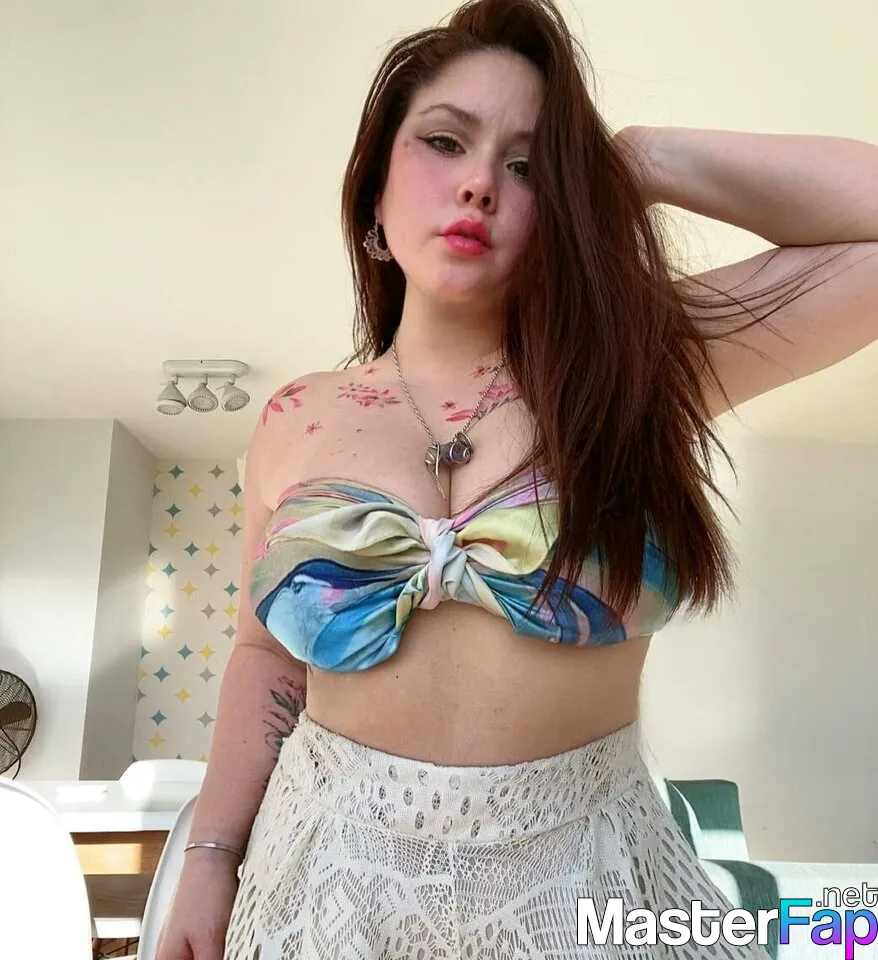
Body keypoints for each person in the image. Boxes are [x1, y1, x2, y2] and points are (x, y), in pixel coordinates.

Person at [156, 0, 878, 957]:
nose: (480, 184)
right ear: (374, 193)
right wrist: (211, 857)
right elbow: (264, 654)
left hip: (589, 887)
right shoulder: (295, 417)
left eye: (529, 165)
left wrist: (638, 161)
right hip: (322, 884)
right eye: (444, 142)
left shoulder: (646, 370)